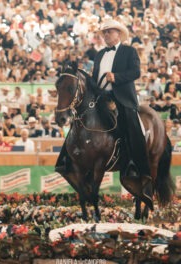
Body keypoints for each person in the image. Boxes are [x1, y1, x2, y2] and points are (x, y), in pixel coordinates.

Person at [56, 19, 153, 207]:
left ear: (118, 34)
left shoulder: (129, 51)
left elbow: (135, 73)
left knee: (131, 125)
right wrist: (83, 77)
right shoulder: (100, 55)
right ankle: (66, 160)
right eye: (104, 32)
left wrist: (116, 77)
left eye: (109, 32)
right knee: (79, 121)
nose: (106, 35)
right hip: (101, 98)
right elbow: (94, 80)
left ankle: (136, 168)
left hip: (122, 98)